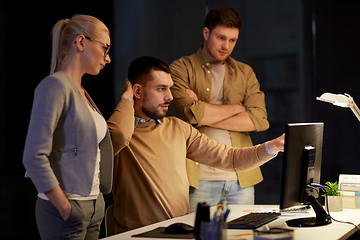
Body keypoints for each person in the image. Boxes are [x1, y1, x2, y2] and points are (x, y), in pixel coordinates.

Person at [107, 56, 284, 233]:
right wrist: (127, 97)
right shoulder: (120, 134)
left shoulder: (178, 128)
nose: (170, 97)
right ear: (137, 91)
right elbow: (119, 134)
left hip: (178, 234)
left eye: (170, 88)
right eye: (161, 89)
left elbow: (230, 159)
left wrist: (273, 146)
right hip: (136, 236)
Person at [22, 14, 113, 240]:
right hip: (68, 208)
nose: (108, 58)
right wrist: (64, 206)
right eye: (105, 48)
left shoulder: (83, 93)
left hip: (93, 205)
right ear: (81, 42)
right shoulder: (54, 86)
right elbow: (34, 156)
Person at [170, 7, 269, 211]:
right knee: (197, 234)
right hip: (199, 176)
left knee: (241, 234)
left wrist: (202, 114)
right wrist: (237, 108)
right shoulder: (181, 68)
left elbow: (259, 120)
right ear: (206, 33)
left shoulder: (245, 72)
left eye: (232, 40)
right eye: (221, 37)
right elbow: (188, 113)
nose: (226, 46)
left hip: (241, 176)